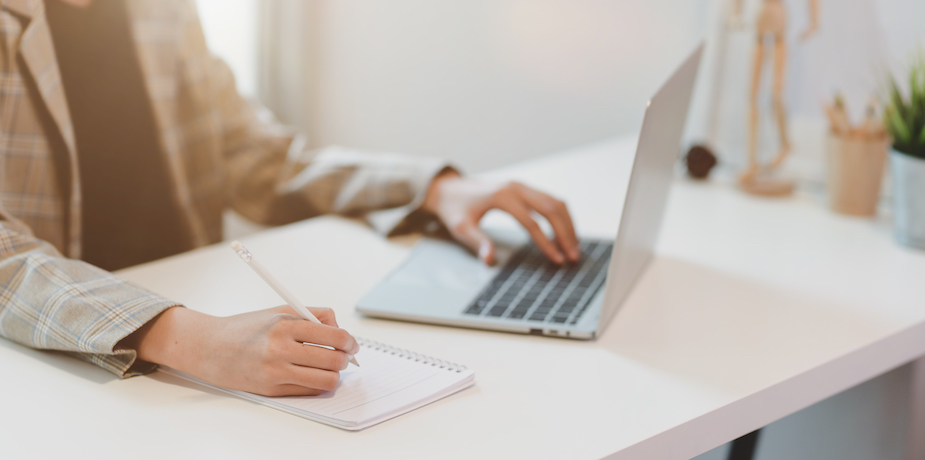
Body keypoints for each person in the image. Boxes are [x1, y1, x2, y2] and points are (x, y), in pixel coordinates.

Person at [0, 0, 580, 397]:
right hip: (66, 369)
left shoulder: (161, 11)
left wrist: (431, 187)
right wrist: (191, 340)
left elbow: (251, 154)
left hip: (200, 349)